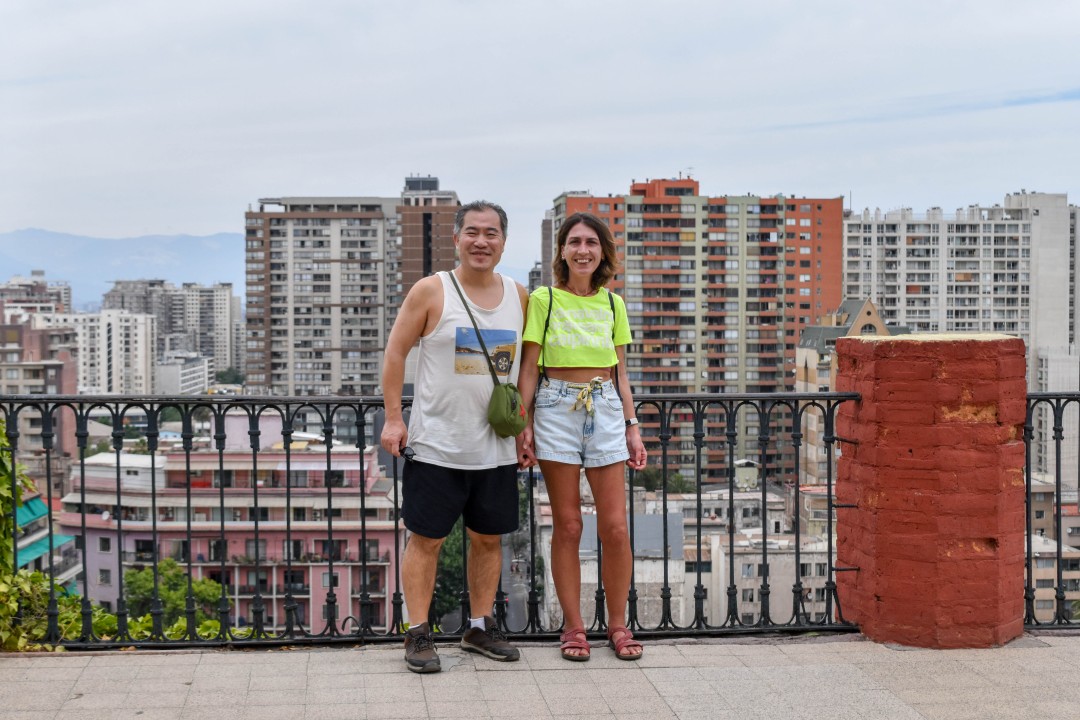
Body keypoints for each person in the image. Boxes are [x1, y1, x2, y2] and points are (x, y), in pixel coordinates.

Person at [380, 200, 532, 673]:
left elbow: (529, 364)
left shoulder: (520, 296)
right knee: (426, 540)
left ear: (503, 241)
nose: (481, 241)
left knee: (488, 541)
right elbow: (395, 352)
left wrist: (524, 428)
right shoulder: (431, 291)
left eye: (491, 233)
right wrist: (393, 418)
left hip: (496, 448)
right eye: (472, 232)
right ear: (457, 238)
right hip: (436, 444)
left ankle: (480, 627)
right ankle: (418, 633)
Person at [517, 212, 647, 661]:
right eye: (574, 242)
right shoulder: (543, 300)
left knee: (615, 528)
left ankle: (617, 624)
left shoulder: (614, 305)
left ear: (603, 251)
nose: (583, 249)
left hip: (606, 408)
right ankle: (573, 628)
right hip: (556, 408)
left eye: (591, 242)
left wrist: (633, 427)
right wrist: (523, 424)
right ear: (562, 251)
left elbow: (621, 376)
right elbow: (529, 369)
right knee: (568, 525)